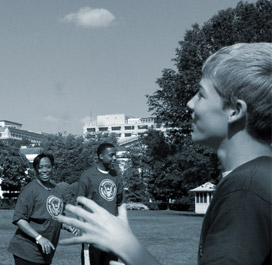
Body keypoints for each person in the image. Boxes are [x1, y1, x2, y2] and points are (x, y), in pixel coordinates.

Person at [57, 43, 272, 265]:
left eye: (201, 95)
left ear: (234, 111)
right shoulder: (258, 179)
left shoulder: (244, 190)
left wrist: (128, 248)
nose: (190, 104)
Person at [9, 154, 77, 265]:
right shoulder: (30, 190)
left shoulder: (56, 189)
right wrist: (39, 237)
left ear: (53, 168)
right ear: (35, 169)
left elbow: (54, 216)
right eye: (40, 167)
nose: (44, 170)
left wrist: (67, 225)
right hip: (27, 251)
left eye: (48, 166)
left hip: (46, 251)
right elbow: (19, 219)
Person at [72, 142, 122, 265]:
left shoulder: (116, 176)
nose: (114, 158)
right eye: (111, 155)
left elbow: (120, 204)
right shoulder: (87, 175)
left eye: (115, 155)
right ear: (101, 156)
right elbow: (79, 204)